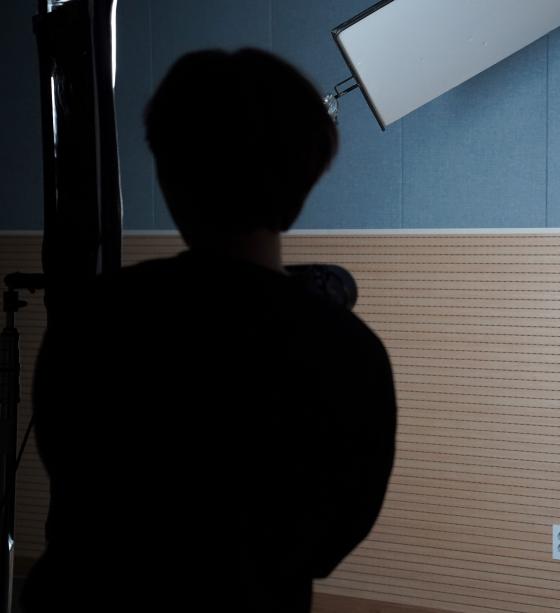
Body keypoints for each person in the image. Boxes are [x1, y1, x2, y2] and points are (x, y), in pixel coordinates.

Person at [22, 49, 397, 612]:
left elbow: (68, 473)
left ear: (169, 177)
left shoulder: (93, 318)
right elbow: (331, 538)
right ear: (305, 178)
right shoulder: (350, 354)